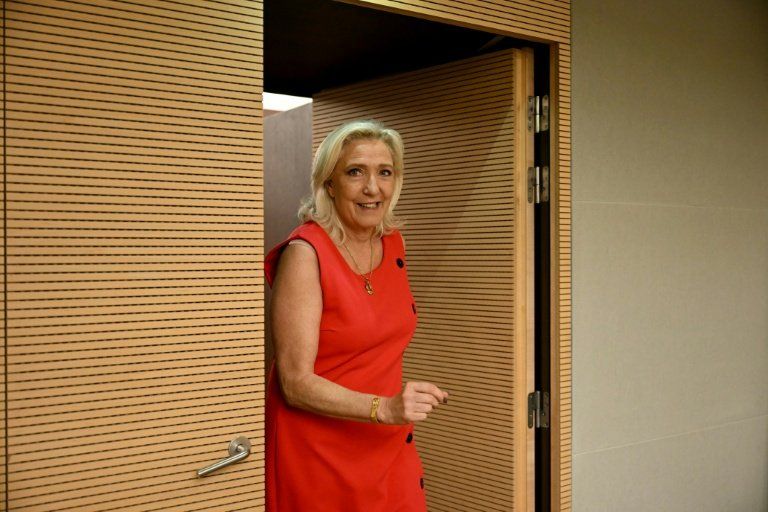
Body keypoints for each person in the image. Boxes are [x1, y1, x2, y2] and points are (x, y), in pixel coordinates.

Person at [264, 119, 449, 511]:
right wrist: (385, 408)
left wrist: (390, 413)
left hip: (386, 442)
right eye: (355, 172)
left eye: (384, 173)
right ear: (329, 183)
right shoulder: (304, 254)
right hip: (318, 452)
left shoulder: (393, 243)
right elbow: (294, 383)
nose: (372, 188)